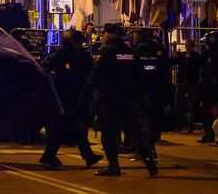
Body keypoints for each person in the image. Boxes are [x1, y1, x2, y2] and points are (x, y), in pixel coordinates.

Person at [85, 23, 157, 177]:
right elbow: (138, 75)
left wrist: (86, 93)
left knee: (108, 133)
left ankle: (113, 166)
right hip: (128, 98)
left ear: (108, 35)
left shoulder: (107, 51)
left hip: (110, 98)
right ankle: (149, 161)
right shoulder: (129, 51)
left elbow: (96, 73)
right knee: (132, 132)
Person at [39, 29, 103, 168]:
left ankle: (84, 156)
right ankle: (51, 156)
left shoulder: (80, 55)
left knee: (72, 126)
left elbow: (90, 71)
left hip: (76, 94)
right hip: (65, 96)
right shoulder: (60, 54)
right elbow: (44, 67)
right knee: (71, 126)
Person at [132, 29, 169, 157]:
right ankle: (149, 148)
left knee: (142, 121)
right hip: (155, 90)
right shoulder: (155, 52)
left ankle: (146, 149)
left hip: (141, 91)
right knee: (150, 120)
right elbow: (163, 69)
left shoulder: (135, 53)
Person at [172, 39, 202, 132]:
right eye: (186, 46)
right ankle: (179, 124)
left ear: (193, 47)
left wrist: (190, 58)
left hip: (191, 82)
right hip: (181, 82)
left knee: (191, 104)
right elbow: (174, 61)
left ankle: (190, 124)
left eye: (189, 46)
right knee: (178, 103)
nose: (187, 48)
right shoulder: (183, 56)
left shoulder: (197, 56)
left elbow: (199, 65)